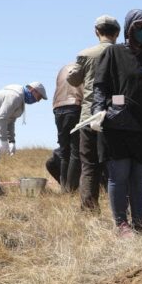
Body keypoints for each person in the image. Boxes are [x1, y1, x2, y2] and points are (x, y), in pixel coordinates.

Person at [92, 9, 142, 236]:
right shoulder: (113, 54)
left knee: (139, 178)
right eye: (138, 27)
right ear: (128, 28)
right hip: (117, 125)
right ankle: (121, 224)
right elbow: (100, 86)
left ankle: (138, 221)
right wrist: (98, 111)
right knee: (119, 175)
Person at [67, 14, 120, 210]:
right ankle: (120, 209)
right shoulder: (123, 53)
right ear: (117, 33)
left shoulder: (85, 54)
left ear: (96, 32)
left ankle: (89, 208)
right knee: (116, 165)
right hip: (116, 116)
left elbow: (73, 81)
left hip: (89, 116)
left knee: (89, 165)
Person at [0, 82, 48, 196]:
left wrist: (11, 141)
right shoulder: (15, 96)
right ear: (33, 90)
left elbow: (10, 121)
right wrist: (3, 140)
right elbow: (2, 117)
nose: (38, 100)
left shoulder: (19, 101)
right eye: (39, 97)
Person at [53, 63, 83, 192]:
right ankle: (71, 189)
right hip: (75, 106)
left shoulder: (62, 69)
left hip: (58, 108)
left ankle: (64, 188)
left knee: (64, 152)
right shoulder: (83, 69)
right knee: (75, 151)